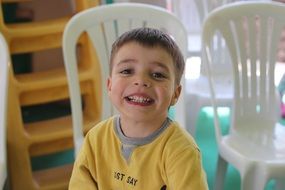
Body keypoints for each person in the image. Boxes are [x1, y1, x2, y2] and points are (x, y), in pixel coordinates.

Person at [69, 27, 208, 190]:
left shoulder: (181, 151)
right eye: (127, 71)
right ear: (109, 85)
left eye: (157, 74)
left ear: (175, 94)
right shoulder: (95, 139)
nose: (141, 81)